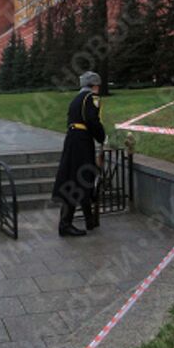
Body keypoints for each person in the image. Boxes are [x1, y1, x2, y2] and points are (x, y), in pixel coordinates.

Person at [52, 71, 106, 236]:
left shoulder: (76, 99)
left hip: (72, 140)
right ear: (95, 85)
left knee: (74, 178)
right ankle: (66, 224)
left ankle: (86, 220)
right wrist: (102, 137)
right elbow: (92, 120)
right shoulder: (91, 98)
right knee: (81, 179)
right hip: (82, 141)